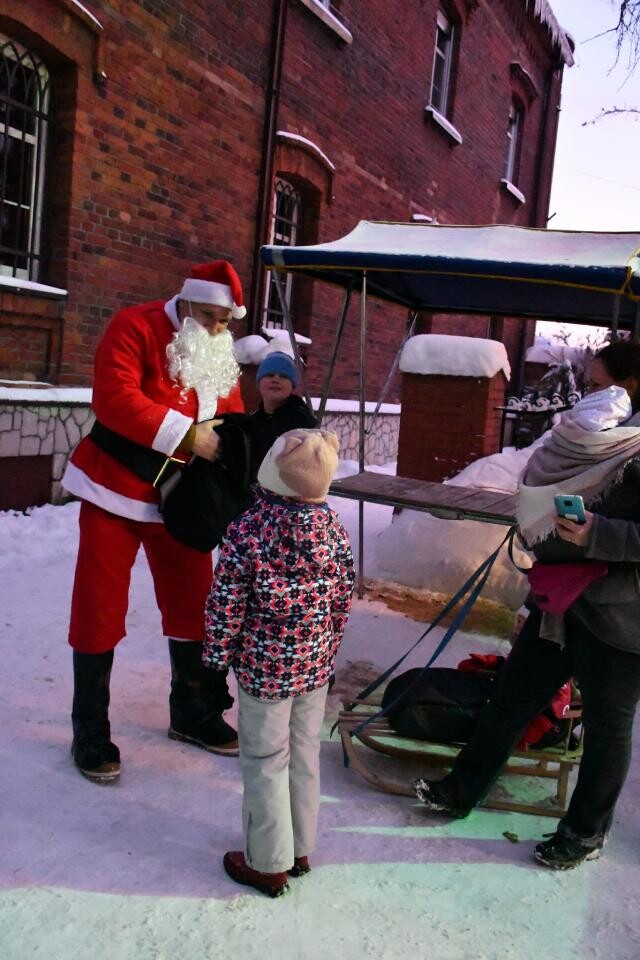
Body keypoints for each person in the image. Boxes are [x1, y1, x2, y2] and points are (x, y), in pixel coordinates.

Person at [413, 340, 640, 870]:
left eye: (599, 384)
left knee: (608, 728)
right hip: (561, 601)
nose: (588, 393)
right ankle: (462, 789)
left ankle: (585, 832)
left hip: (621, 617)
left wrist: (596, 533)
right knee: (513, 699)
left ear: (632, 386)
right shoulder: (596, 435)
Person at [62, 259, 246, 783]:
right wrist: (188, 436)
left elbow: (229, 414)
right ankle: (90, 728)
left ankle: (192, 712)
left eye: (225, 321)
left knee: (194, 606)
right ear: (186, 302)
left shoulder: (216, 346)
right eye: (210, 317)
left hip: (182, 504)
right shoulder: (135, 326)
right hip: (114, 490)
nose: (216, 329)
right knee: (99, 606)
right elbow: (115, 398)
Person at [202, 428, 354, 897]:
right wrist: (327, 649)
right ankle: (300, 847)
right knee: (305, 753)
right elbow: (343, 597)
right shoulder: (333, 529)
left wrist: (215, 655)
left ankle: (268, 861)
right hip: (313, 669)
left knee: (266, 760)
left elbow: (226, 601)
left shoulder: (250, 528)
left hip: (264, 670)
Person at [243, 351, 317, 482]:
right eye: (269, 375)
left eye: (283, 376)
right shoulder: (252, 420)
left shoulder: (301, 421)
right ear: (259, 384)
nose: (276, 380)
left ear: (292, 386)